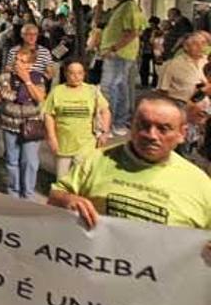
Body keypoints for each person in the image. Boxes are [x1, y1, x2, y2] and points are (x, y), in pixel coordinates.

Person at [49, 93, 211, 232]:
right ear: (131, 126)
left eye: (163, 128)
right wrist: (67, 200)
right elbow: (55, 197)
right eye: (144, 125)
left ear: (182, 134)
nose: (151, 135)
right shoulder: (96, 160)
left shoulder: (200, 184)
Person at [0, 47, 47, 199]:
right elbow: (4, 94)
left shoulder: (37, 78)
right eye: (16, 60)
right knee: (12, 159)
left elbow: (40, 98)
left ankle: (28, 193)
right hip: (10, 124)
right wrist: (10, 93)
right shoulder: (5, 77)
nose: (18, 63)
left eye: (23, 61)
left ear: (30, 64)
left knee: (29, 161)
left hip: (31, 125)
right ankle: (13, 191)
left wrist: (27, 81)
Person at [43, 60, 111, 180]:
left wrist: (104, 132)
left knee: (83, 180)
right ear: (65, 74)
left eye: (80, 73)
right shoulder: (57, 91)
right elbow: (48, 115)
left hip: (87, 145)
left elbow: (105, 111)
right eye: (72, 73)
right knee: (62, 180)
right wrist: (52, 138)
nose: (76, 77)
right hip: (63, 145)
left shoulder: (92, 90)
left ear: (84, 74)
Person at [99, 0, 146, 136]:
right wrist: (100, 0)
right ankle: (118, 123)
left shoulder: (129, 8)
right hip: (118, 54)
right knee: (119, 88)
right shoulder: (121, 7)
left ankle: (112, 123)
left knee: (110, 88)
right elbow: (99, 21)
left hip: (119, 54)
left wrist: (113, 48)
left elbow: (133, 32)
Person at [158, 32, 209, 104]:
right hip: (181, 105)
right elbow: (162, 91)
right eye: (195, 44)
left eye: (203, 43)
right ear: (186, 47)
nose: (200, 47)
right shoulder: (172, 64)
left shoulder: (207, 62)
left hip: (205, 106)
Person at [139, 16, 161, 88]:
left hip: (154, 50)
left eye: (152, 23)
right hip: (148, 50)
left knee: (155, 68)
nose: (151, 25)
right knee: (144, 67)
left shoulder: (159, 31)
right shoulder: (147, 30)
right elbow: (142, 38)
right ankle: (144, 82)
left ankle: (154, 83)